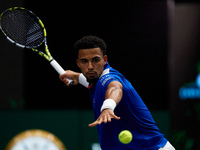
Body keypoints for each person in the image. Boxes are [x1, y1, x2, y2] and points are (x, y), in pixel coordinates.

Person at [59, 35, 175, 150]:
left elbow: (115, 88)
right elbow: (94, 82)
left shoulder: (110, 78)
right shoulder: (97, 80)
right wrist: (77, 77)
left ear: (104, 60)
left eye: (95, 60)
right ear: (78, 63)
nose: (90, 66)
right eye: (84, 61)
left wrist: (108, 107)